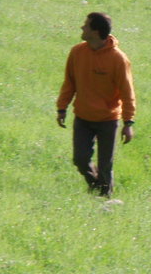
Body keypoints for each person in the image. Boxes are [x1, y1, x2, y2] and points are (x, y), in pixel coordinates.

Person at [56, 12, 136, 196]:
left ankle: (105, 198)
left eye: (86, 25)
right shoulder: (77, 52)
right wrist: (62, 108)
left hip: (108, 119)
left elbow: (127, 93)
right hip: (82, 117)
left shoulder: (118, 59)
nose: (82, 27)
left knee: (105, 165)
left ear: (96, 31)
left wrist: (128, 123)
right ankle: (95, 186)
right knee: (80, 160)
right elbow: (69, 83)